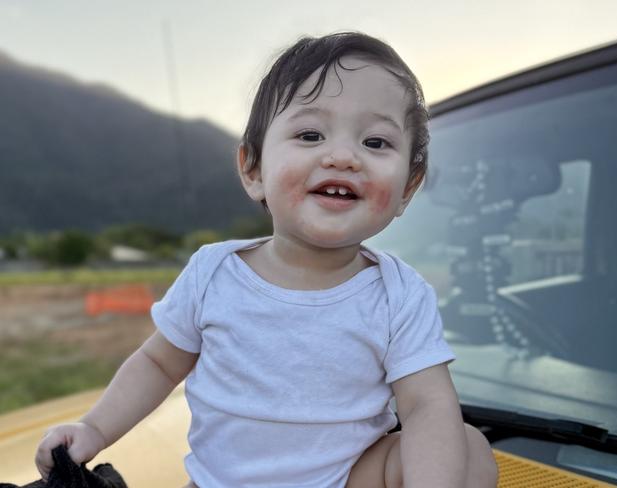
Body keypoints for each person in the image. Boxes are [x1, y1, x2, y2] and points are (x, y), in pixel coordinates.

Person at [35, 32, 498, 487]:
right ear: (253, 170)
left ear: (407, 190)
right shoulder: (213, 273)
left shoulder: (400, 294)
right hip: (223, 482)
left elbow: (425, 406)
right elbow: (158, 364)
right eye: (311, 134)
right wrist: (95, 428)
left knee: (468, 448)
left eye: (375, 142)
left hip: (347, 478)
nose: (343, 156)